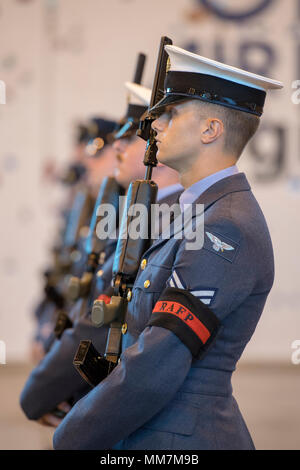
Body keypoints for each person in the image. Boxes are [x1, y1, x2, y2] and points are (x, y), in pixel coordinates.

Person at [53, 44, 283, 450]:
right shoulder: (189, 211)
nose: (154, 124)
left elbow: (158, 362)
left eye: (171, 113)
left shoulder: (225, 225)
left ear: (211, 130)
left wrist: (72, 434)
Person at [20, 82, 182, 426]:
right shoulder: (138, 212)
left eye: (132, 136)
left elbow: (111, 314)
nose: (118, 146)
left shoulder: (163, 218)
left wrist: (43, 390)